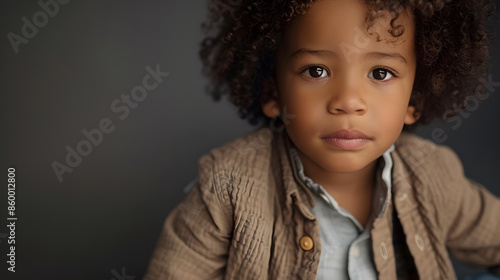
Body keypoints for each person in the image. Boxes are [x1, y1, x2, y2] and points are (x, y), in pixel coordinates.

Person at [143, 0, 500, 279]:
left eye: (381, 72)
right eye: (316, 71)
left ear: (414, 99)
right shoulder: (227, 187)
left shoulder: (433, 174)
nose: (348, 100)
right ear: (273, 91)